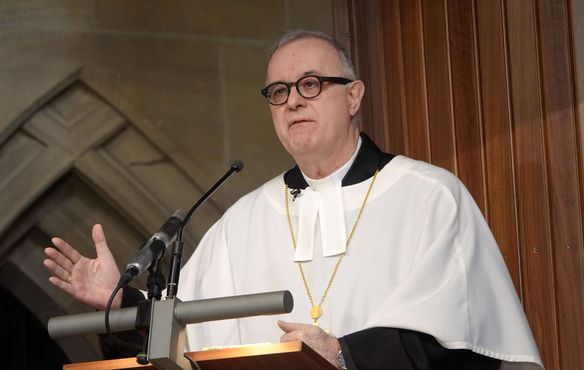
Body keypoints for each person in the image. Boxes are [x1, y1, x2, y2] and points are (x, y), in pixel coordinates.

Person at [44, 29, 543, 370]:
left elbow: (464, 341)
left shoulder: (428, 196)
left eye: (310, 84)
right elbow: (183, 341)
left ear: (353, 96)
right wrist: (123, 302)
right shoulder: (243, 221)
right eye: (279, 91)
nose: (293, 101)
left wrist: (343, 353)